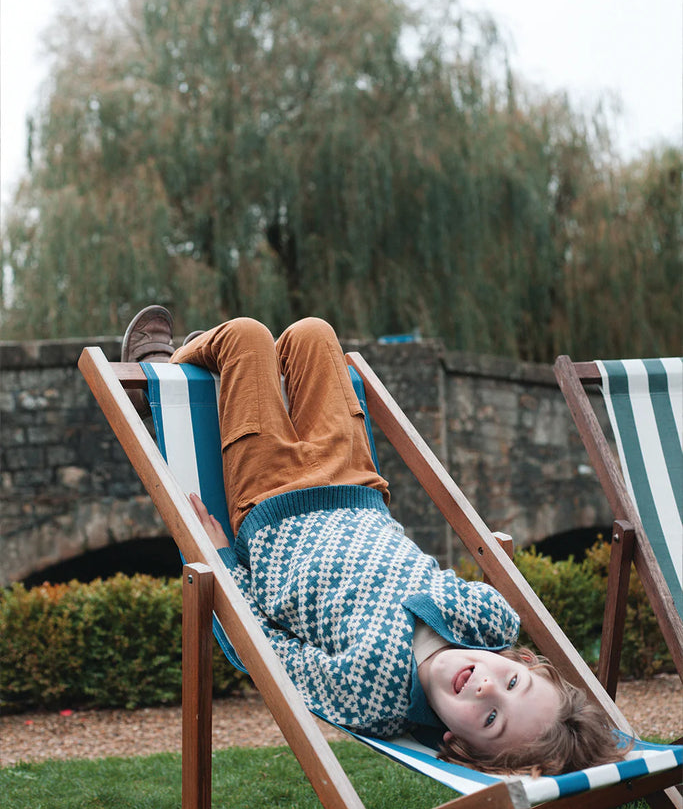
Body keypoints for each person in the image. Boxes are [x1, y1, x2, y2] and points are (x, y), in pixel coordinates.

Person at [123, 306, 625, 775]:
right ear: (522, 660)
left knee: (246, 336)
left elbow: (270, 655)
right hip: (355, 484)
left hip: (273, 503)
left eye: (491, 719)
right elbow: (498, 619)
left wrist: (223, 562)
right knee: (313, 333)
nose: (486, 686)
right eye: (513, 681)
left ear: (459, 746)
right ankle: (213, 367)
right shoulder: (486, 623)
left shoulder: (374, 696)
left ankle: (163, 376)